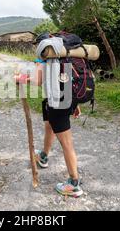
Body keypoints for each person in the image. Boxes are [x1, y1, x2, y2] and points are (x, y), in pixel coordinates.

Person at [15, 59, 83, 198]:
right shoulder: (63, 59)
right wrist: (75, 104)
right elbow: (68, 81)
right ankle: (43, 157)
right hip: (57, 100)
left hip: (56, 104)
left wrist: (19, 78)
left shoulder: (46, 58)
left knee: (67, 143)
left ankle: (74, 184)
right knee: (49, 128)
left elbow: (37, 80)